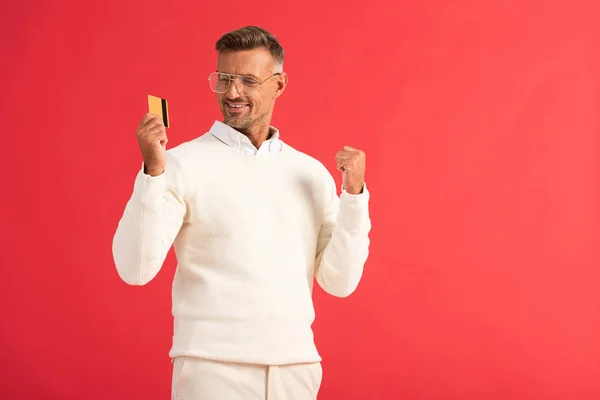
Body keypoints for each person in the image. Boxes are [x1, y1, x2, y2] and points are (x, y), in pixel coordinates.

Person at [112, 25, 371, 400]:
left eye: (248, 80)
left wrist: (354, 197)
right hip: (211, 369)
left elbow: (339, 282)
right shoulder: (181, 164)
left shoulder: (311, 173)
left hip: (296, 369)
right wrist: (153, 172)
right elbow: (134, 269)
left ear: (278, 85)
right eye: (225, 79)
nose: (232, 93)